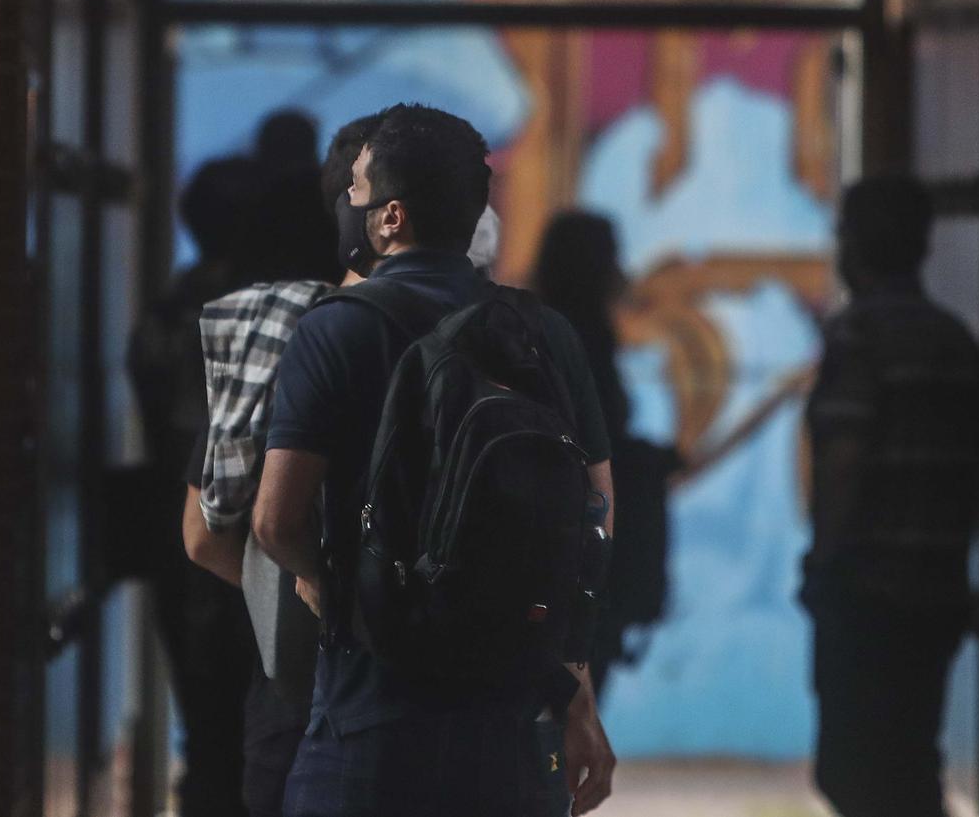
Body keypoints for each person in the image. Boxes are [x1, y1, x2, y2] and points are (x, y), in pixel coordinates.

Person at [252, 105, 618, 817]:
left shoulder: (335, 330)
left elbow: (273, 520)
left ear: (389, 218)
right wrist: (573, 683)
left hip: (369, 722)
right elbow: (595, 519)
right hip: (513, 725)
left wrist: (335, 588)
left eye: (355, 190)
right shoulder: (542, 332)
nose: (346, 204)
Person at [183, 115, 379, 817]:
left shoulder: (253, 339)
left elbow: (203, 535)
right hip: (420, 690)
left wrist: (288, 586)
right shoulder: (436, 331)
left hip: (283, 672)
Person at [802, 175, 979, 817]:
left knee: (853, 771)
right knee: (909, 760)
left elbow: (842, 462)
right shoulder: (956, 341)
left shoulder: (858, 336)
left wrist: (822, 563)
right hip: (935, 591)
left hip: (866, 594)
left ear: (856, 244)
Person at [128, 156, 271, 816]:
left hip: (174, 524)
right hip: (240, 530)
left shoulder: (169, 309)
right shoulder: (249, 317)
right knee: (248, 727)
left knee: (208, 724)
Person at [532, 211, 680, 697]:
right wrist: (649, 462)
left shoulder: (538, 333)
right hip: (580, 565)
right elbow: (591, 446)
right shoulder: (582, 341)